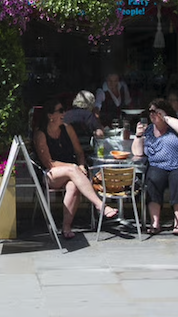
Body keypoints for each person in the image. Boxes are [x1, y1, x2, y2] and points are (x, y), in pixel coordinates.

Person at [34, 98, 118, 239]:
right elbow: (48, 162)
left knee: (73, 186)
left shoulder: (67, 128)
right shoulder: (40, 134)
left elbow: (79, 152)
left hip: (72, 172)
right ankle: (100, 204)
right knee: (72, 171)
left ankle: (66, 227)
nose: (64, 113)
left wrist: (80, 164)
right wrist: (73, 167)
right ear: (50, 116)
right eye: (60, 111)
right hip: (50, 174)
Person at [131, 98, 178, 236]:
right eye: (151, 112)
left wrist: (165, 117)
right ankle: (155, 223)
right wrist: (138, 135)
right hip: (158, 165)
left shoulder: (175, 127)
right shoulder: (148, 130)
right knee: (152, 180)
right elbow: (137, 153)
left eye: (156, 111)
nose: (153, 114)